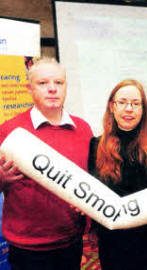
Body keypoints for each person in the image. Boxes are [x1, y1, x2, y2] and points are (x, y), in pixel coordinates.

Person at [0, 57, 93, 270]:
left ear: (65, 87)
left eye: (58, 83)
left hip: (71, 241)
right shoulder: (9, 131)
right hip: (27, 247)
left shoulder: (84, 129)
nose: (52, 89)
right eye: (43, 83)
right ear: (29, 89)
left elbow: (90, 180)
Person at [88, 79, 147, 270]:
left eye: (136, 103)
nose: (129, 109)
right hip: (114, 245)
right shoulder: (96, 146)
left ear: (143, 109)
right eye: (122, 102)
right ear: (112, 107)